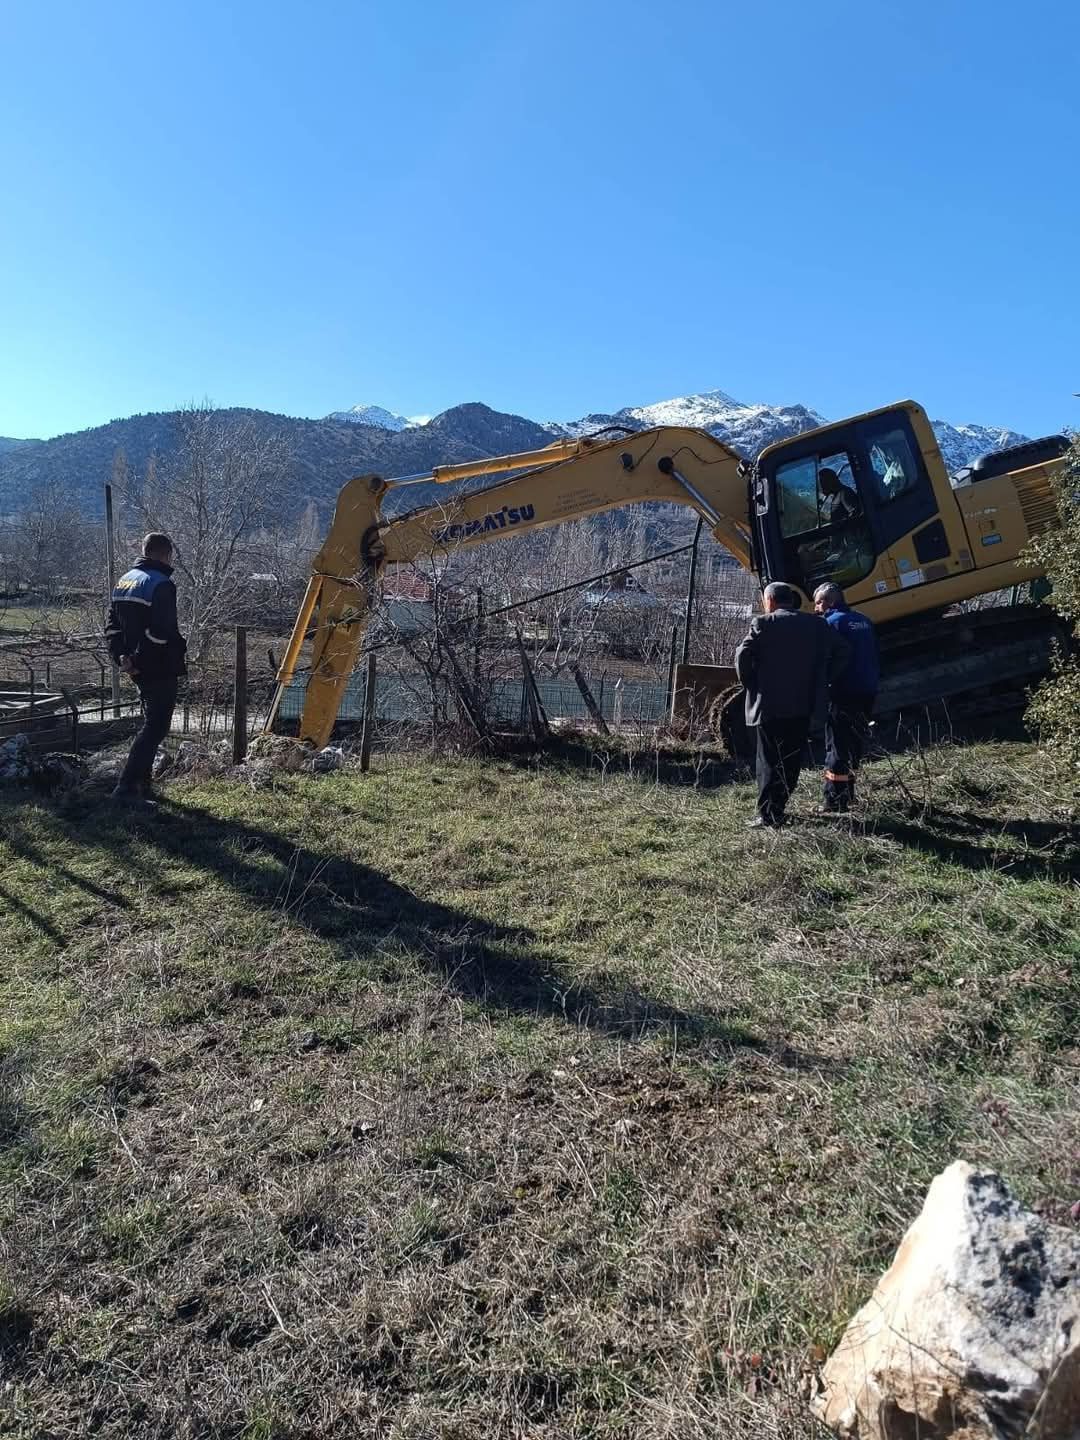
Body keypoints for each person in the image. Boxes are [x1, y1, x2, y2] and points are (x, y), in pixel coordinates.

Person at [735, 582, 847, 828]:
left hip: (769, 705)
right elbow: (843, 651)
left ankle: (768, 814)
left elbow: (743, 655)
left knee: (767, 759)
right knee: (791, 758)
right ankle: (780, 805)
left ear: (771, 601)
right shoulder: (816, 624)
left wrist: (751, 682)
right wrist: (824, 678)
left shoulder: (764, 623)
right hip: (803, 703)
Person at [106, 533, 187, 804]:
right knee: (156, 727)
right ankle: (126, 787)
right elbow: (161, 632)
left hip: (135, 666)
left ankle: (143, 785)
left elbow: (113, 627)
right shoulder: (161, 584)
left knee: (150, 722)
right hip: (159, 666)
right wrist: (139, 660)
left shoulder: (123, 581)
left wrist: (123, 659)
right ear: (165, 554)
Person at [813, 581, 879, 813]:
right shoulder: (864, 621)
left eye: (818, 603)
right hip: (868, 690)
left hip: (842, 691)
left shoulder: (830, 623)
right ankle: (849, 794)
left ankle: (835, 801)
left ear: (828, 602)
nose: (815, 609)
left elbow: (824, 658)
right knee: (854, 743)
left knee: (836, 745)